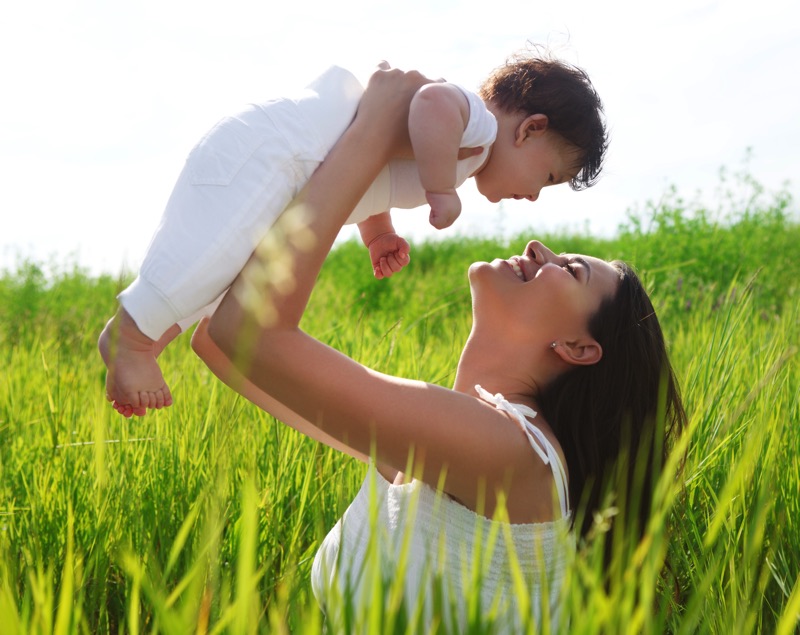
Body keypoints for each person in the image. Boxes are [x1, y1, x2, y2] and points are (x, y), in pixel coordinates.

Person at [189, 63, 686, 631]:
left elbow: (248, 338)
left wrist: (372, 133)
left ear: (577, 346)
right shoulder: (432, 458)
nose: (537, 246)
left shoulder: (508, 451)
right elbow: (221, 344)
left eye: (570, 271)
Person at [99, 47, 608, 418]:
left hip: (286, 174)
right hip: (275, 153)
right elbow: (429, 103)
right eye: (547, 178)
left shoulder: (463, 151)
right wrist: (439, 191)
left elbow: (378, 166)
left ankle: (143, 341)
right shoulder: (475, 124)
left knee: (216, 277)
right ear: (530, 128)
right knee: (208, 256)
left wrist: (378, 232)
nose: (536, 196)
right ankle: (131, 339)